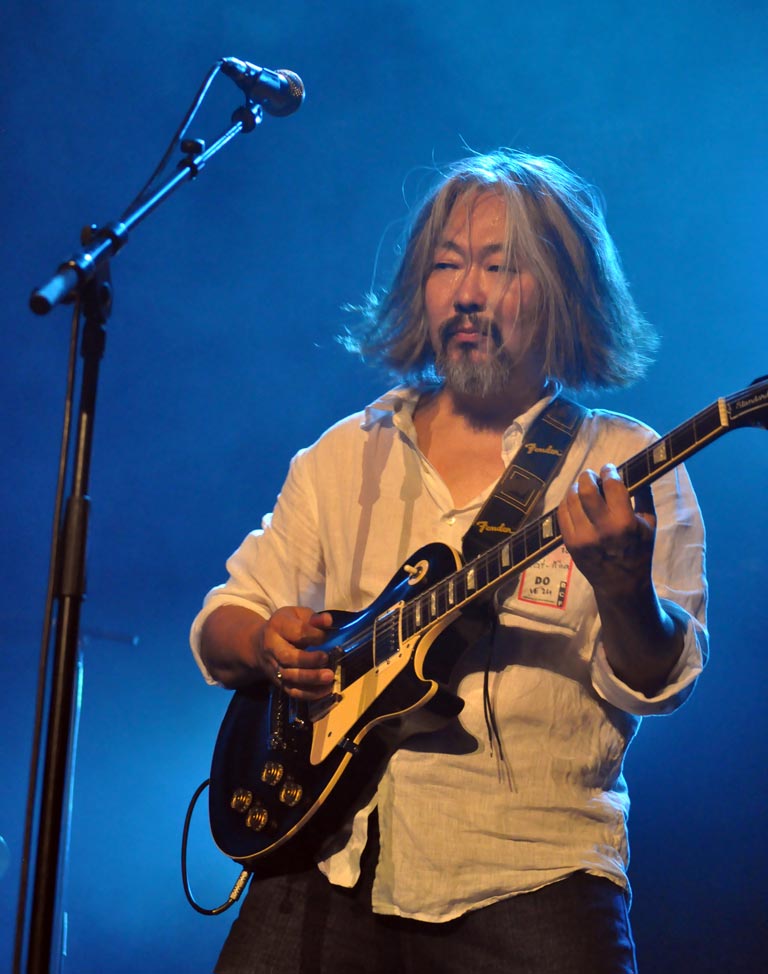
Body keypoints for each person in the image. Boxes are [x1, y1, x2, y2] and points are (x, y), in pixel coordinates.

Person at [190, 149, 707, 973]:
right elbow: (223, 623)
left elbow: (659, 682)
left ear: (563, 291)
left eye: (500, 267)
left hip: (531, 878)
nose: (467, 292)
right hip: (325, 862)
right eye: (446, 264)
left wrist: (622, 589)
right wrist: (264, 643)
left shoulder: (624, 463)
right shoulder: (347, 452)